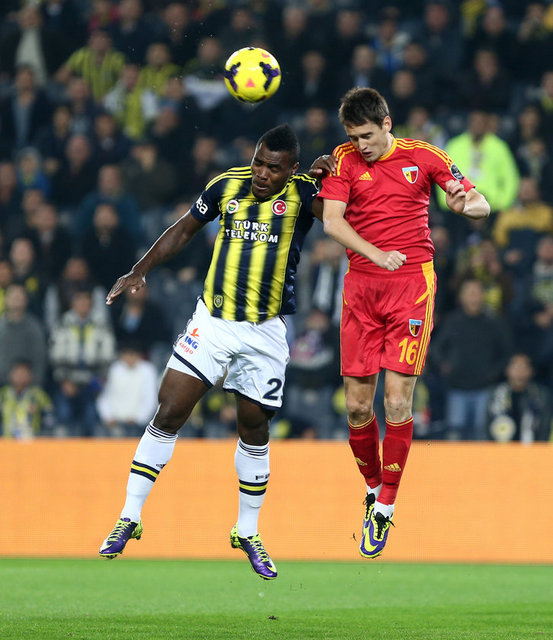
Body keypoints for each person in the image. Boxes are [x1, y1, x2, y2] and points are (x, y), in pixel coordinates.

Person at [98, 124, 325, 580]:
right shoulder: (226, 185)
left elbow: (343, 216)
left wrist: (336, 176)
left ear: (292, 169)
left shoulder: (306, 193)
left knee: (254, 427)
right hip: (214, 322)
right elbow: (184, 230)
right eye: (259, 162)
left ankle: (247, 530)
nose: (262, 173)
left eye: (274, 168)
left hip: (265, 332)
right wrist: (140, 269)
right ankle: (129, 516)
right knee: (169, 409)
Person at [316, 88, 490, 559]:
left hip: (412, 285)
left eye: (367, 136)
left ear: (386, 124)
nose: (361, 145)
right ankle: (374, 490)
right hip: (361, 286)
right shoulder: (342, 159)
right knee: (357, 407)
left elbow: (480, 204)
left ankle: (386, 508)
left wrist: (464, 204)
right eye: (354, 136)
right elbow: (332, 222)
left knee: (396, 400)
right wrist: (375, 254)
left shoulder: (425, 156)